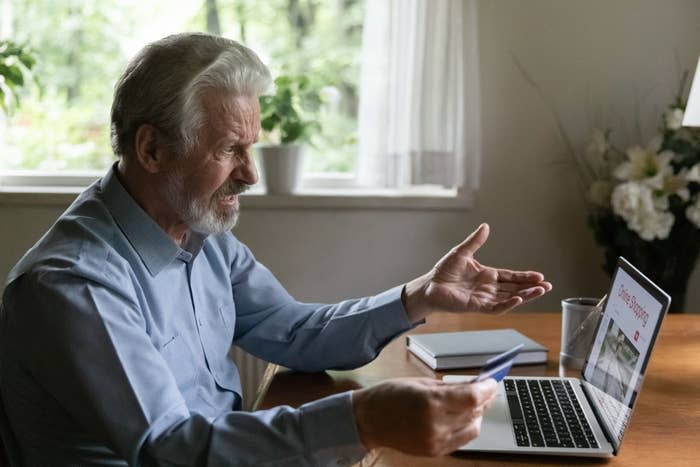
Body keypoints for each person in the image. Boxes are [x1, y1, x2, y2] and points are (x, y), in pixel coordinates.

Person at [0, 33, 552, 466]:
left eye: (252, 147)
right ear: (151, 149)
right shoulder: (72, 285)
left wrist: (421, 296)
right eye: (229, 149)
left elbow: (293, 331)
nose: (250, 174)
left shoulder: (198, 232)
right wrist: (360, 420)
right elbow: (171, 449)